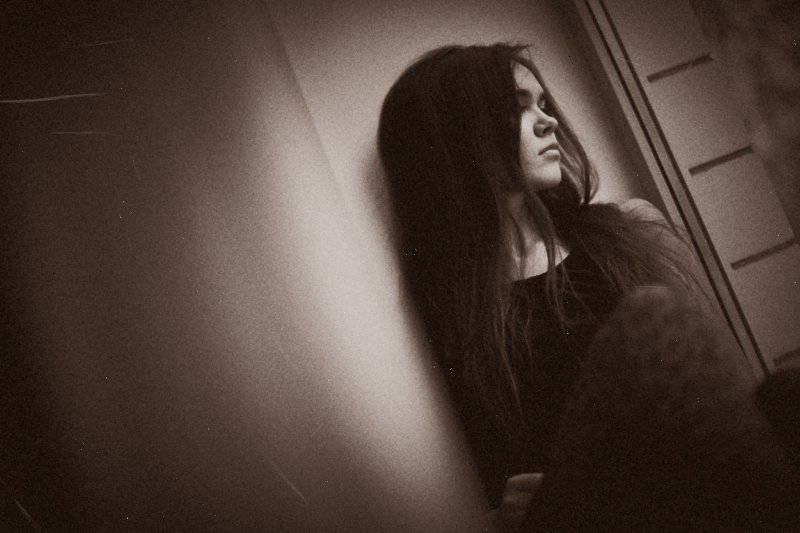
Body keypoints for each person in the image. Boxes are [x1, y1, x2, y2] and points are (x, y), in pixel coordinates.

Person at [377, 43, 707, 531]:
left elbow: (711, 385)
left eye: (544, 103)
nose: (548, 121)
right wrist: (497, 516)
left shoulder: (630, 230)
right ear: (456, 137)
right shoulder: (445, 315)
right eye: (517, 109)